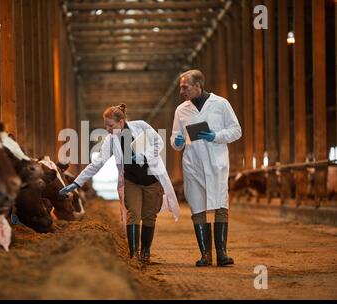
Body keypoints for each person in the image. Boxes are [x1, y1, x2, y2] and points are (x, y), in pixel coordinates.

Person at [59, 103, 180, 264]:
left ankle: (145, 253)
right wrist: (76, 183)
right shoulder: (110, 140)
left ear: (121, 122)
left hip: (152, 180)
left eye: (110, 125)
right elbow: (97, 163)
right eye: (105, 125)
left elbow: (159, 143)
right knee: (133, 214)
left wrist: (144, 156)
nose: (107, 129)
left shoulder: (141, 126)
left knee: (149, 217)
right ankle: (133, 254)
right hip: (131, 181)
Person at [170, 70, 242, 267]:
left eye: (185, 87)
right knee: (197, 207)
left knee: (220, 205)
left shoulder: (221, 104)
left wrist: (216, 136)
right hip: (193, 164)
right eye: (181, 88)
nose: (181, 91)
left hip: (216, 163)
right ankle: (205, 255)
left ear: (198, 86)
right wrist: (176, 141)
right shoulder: (181, 110)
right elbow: (175, 138)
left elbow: (236, 130)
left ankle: (222, 254)